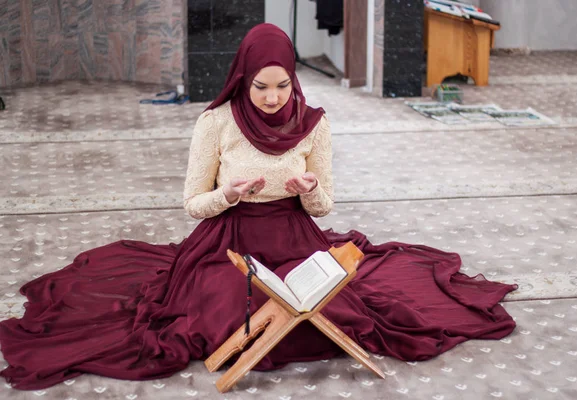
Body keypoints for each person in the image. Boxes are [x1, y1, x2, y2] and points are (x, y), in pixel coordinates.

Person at [0, 23, 517, 390]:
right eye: (260, 87)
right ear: (243, 80)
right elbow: (191, 204)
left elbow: (324, 206)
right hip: (227, 244)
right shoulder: (216, 122)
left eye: (283, 86)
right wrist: (226, 196)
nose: (272, 98)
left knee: (336, 312)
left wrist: (308, 188)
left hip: (295, 239)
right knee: (226, 311)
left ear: (294, 79)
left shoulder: (313, 122)